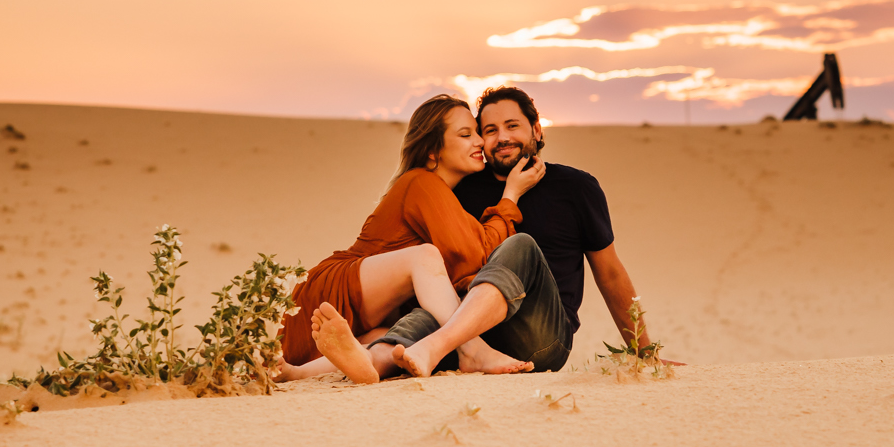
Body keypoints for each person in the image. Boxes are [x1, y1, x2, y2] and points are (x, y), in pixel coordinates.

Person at [277, 94, 572, 384]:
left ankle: (296, 371)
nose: (480, 141)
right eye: (466, 134)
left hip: (357, 318)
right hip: (338, 287)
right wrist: (511, 196)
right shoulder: (421, 183)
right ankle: (474, 350)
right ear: (433, 152)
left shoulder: (447, 196)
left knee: (391, 338)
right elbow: (475, 256)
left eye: (477, 133)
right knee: (424, 256)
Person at [453, 85, 655, 360]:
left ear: (537, 129)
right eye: (490, 130)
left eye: (512, 125)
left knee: (521, 246)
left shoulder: (576, 187)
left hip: (543, 339)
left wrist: (644, 352)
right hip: (473, 333)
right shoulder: (464, 189)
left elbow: (610, 273)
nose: (502, 137)